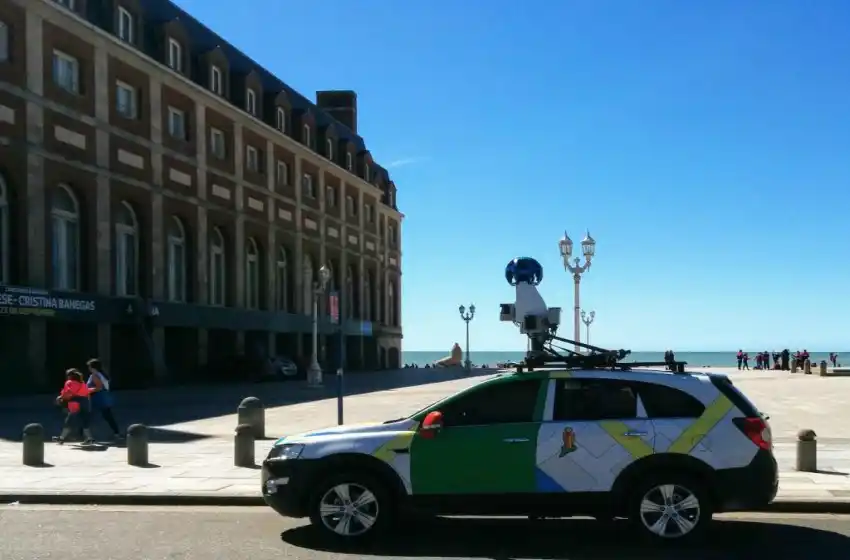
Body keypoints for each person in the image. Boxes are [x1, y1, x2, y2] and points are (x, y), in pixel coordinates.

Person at [53, 369, 94, 445]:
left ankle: (61, 438)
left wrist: (61, 398)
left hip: (75, 404)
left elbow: (68, 392)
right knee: (85, 422)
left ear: (69, 376)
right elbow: (87, 393)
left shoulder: (69, 382)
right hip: (86, 403)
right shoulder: (82, 383)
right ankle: (89, 439)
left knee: (69, 422)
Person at [86, 358, 123, 440]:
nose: (88, 368)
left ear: (93, 367)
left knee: (87, 416)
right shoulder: (102, 374)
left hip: (96, 398)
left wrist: (87, 390)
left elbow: (99, 387)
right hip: (103, 398)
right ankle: (117, 433)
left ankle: (84, 434)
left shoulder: (95, 376)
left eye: (89, 367)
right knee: (108, 416)